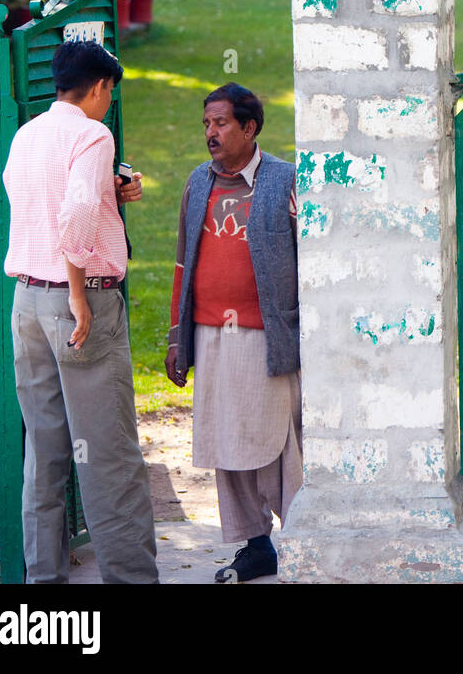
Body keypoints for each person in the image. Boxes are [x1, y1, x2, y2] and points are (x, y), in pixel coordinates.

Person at [3, 39, 158, 584]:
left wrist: (109, 191)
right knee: (109, 456)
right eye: (109, 91)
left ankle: (43, 585)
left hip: (27, 302)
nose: (108, 102)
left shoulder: (27, 135)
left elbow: (44, 205)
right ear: (98, 87)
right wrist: (75, 292)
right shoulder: (94, 135)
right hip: (80, 302)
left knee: (44, 454)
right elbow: (74, 216)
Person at [165, 82, 301, 584]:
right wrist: (177, 337)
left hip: (267, 335)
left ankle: (303, 538)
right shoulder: (197, 182)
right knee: (228, 442)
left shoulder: (286, 180)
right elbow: (183, 261)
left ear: (249, 127)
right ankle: (256, 546)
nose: (211, 133)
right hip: (210, 334)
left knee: (278, 441)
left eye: (221, 123)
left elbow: (308, 259)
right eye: (207, 124)